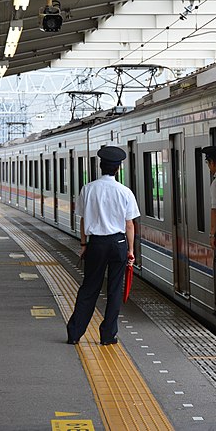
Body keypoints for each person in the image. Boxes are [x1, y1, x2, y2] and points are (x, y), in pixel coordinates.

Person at [66, 146, 140, 346]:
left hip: (96, 244)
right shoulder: (125, 192)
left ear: (100, 166)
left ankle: (74, 333)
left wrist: (83, 244)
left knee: (89, 287)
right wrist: (131, 251)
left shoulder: (88, 189)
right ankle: (108, 336)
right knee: (115, 289)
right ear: (118, 169)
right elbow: (129, 224)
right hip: (118, 244)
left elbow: (82, 220)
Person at [201, 145, 216, 317]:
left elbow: (215, 210)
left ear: (213, 163)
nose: (209, 167)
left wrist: (212, 234)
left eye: (208, 163)